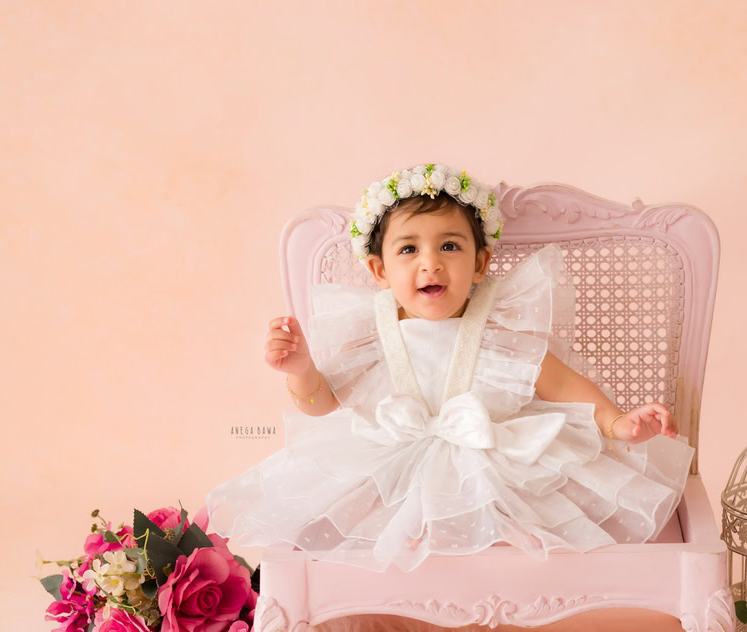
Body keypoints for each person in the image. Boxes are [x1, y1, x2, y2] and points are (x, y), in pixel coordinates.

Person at [205, 163, 694, 571]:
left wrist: (615, 421)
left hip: (491, 459)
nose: (430, 264)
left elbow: (562, 381)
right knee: (350, 509)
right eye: (409, 249)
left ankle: (500, 574)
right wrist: (300, 369)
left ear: (481, 264)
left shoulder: (499, 330)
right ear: (379, 271)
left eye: (450, 247)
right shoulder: (368, 333)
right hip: (392, 463)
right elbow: (322, 403)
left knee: (522, 515)